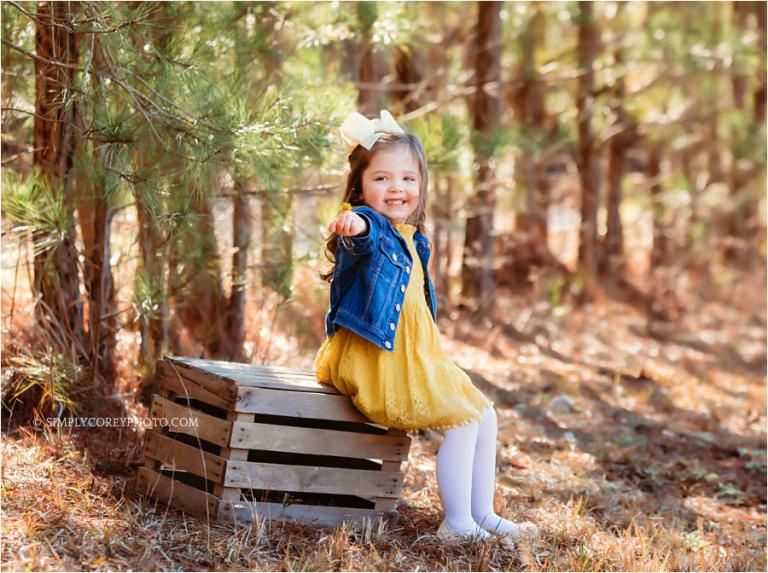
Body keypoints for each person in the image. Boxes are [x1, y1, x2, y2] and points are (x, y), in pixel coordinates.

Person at [314, 109, 540, 545]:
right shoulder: (372, 226)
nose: (396, 188)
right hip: (371, 362)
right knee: (459, 423)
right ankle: (455, 525)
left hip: (409, 357)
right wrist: (353, 223)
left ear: (421, 184)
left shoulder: (412, 238)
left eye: (407, 179)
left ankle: (482, 513)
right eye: (381, 179)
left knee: (484, 414)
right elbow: (361, 235)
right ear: (360, 187)